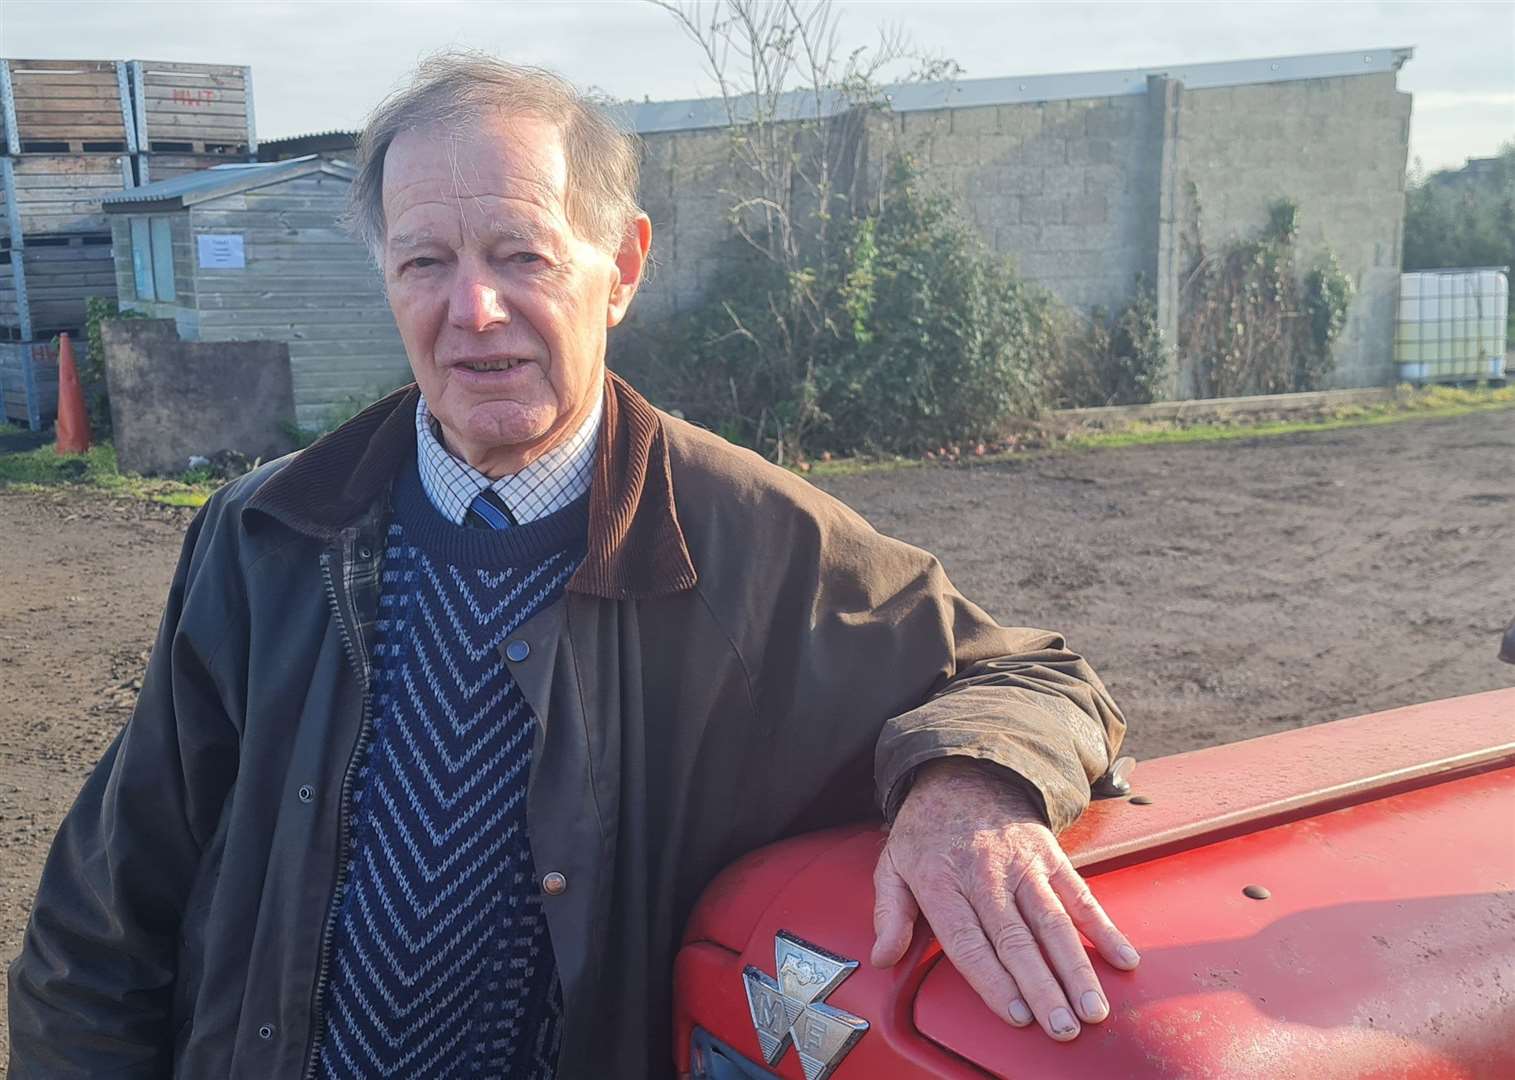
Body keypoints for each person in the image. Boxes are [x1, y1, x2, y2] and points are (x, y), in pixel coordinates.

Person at [8, 53, 1138, 1079]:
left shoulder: (750, 537)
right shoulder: (267, 536)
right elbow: (106, 917)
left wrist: (963, 791)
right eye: (425, 262)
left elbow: (1038, 681)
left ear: (623, 267)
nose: (474, 311)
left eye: (520, 256)